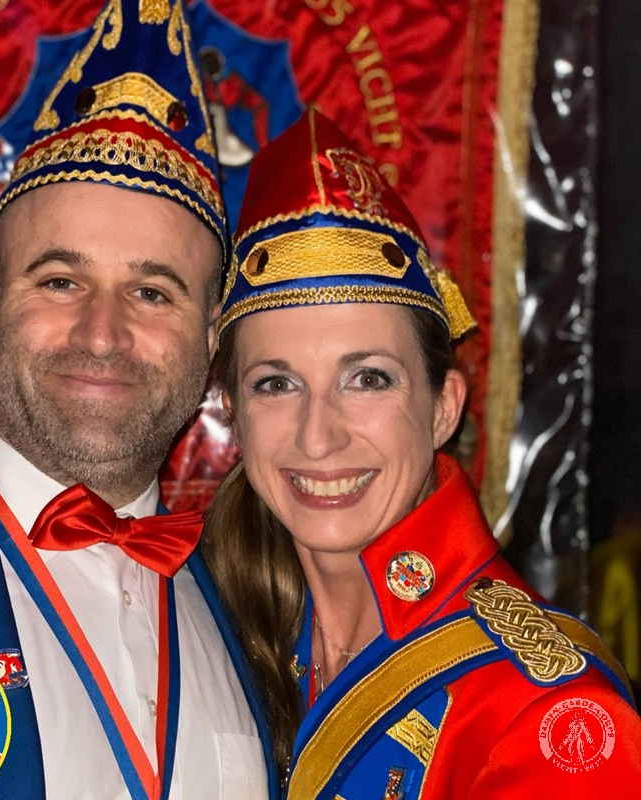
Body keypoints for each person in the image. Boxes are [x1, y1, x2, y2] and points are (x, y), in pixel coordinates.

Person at [0, 2, 278, 798]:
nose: (102, 334)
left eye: (152, 292)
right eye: (60, 281)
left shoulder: (263, 626)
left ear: (211, 339)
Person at [200, 108, 641, 799]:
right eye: (276, 384)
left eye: (368, 379)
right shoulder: (213, 629)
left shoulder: (546, 714)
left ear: (443, 408)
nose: (318, 437)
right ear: (232, 410)